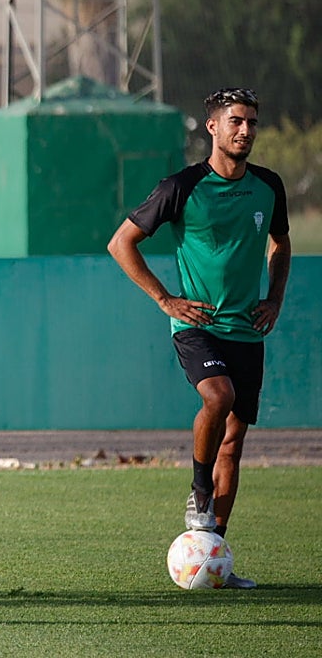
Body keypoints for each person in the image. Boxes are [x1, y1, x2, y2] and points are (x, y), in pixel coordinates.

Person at [107, 87, 291, 589]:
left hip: (246, 330)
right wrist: (165, 299)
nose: (245, 130)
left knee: (233, 444)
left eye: (252, 122)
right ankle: (198, 489)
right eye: (236, 121)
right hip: (197, 325)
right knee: (218, 396)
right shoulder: (182, 186)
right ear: (212, 126)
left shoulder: (268, 186)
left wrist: (274, 298)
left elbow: (280, 242)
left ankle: (215, 558)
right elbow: (121, 243)